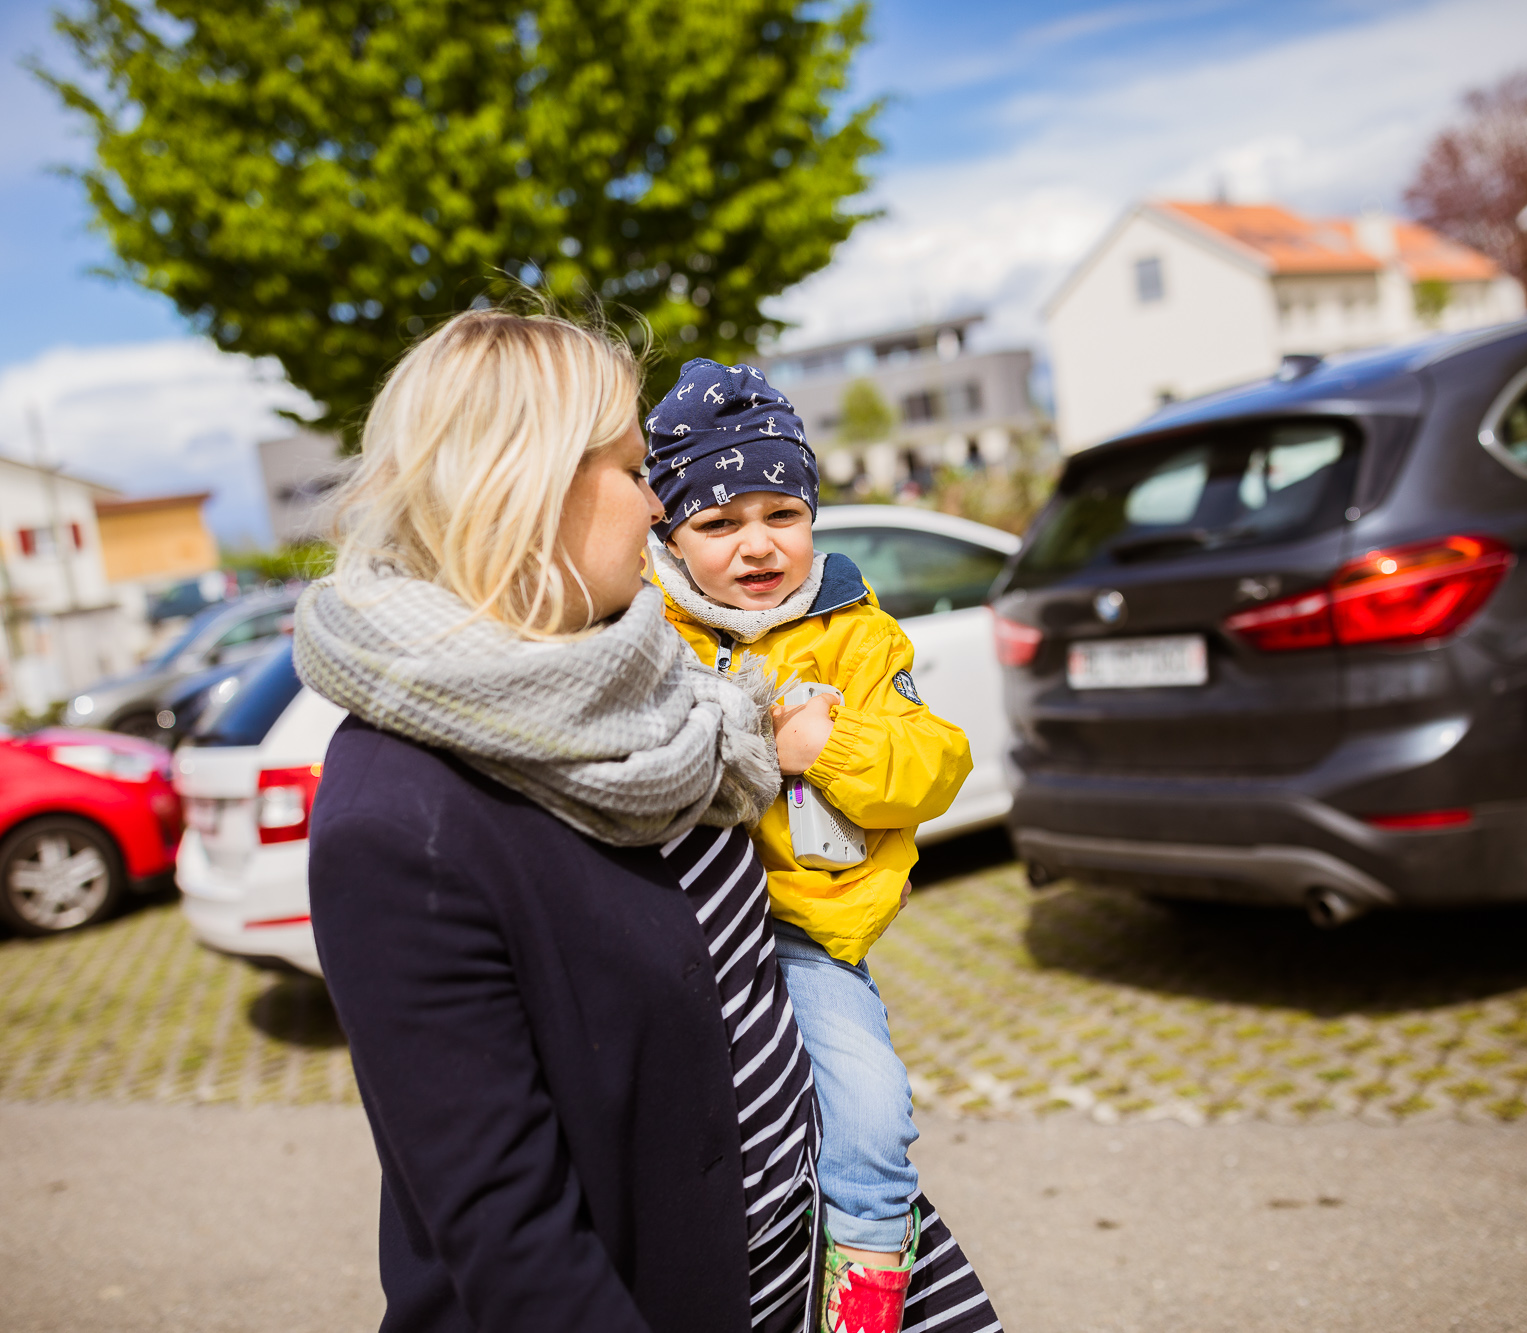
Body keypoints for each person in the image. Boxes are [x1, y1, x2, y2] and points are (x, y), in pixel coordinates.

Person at [292, 311, 999, 1333]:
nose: (653, 502)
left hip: (798, 1262)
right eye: (632, 471)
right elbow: (514, 1245)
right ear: (525, 488)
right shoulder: (396, 821)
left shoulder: (664, 682)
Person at [643, 359, 973, 1332]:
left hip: (799, 936)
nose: (757, 546)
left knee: (870, 1116)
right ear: (666, 533)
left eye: (779, 513)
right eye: (717, 522)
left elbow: (932, 764)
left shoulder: (856, 633)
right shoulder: (641, 628)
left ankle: (862, 1298)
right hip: (669, 927)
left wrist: (827, 744)